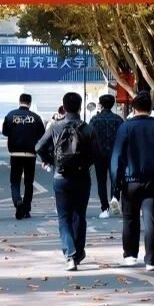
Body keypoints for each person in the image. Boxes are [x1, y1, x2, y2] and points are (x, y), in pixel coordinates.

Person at [111, 92, 154, 270]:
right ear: (151, 108)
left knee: (130, 218)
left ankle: (130, 255)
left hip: (130, 180)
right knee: (152, 220)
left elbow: (117, 157)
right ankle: (150, 259)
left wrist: (116, 183)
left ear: (133, 108)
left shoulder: (125, 128)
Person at [36, 92, 97, 271]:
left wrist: (51, 160)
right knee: (80, 216)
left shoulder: (55, 127)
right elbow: (97, 154)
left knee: (64, 217)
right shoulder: (88, 128)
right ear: (80, 107)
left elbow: (39, 147)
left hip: (61, 177)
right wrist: (85, 164)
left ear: (63, 107)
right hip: (82, 177)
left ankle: (69, 255)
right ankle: (78, 253)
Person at [2, 93, 45, 220]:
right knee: (29, 183)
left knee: (15, 181)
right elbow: (42, 134)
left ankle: (17, 201)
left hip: (15, 154)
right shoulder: (36, 117)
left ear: (19, 101)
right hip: (30, 154)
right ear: (30, 103)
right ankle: (26, 209)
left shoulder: (11, 115)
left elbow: (5, 132)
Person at [89, 93, 124, 218]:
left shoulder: (94, 120)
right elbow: (123, 137)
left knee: (101, 181)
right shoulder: (118, 119)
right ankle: (115, 197)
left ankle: (105, 208)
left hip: (99, 154)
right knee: (116, 178)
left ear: (101, 104)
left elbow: (89, 137)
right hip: (115, 153)